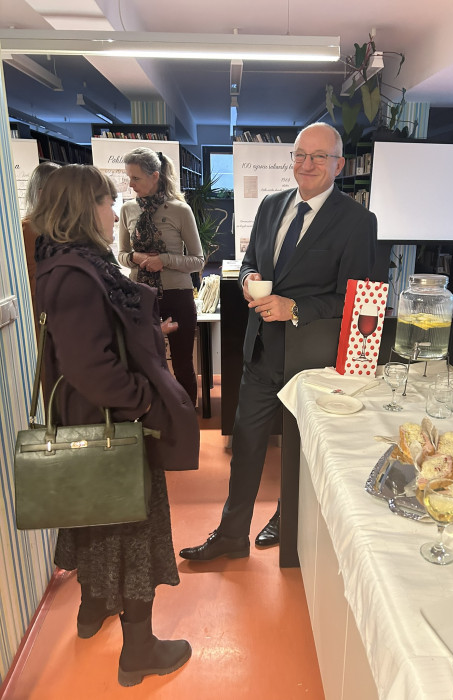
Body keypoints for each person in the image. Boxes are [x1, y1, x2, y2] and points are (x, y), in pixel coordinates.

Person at [32, 164, 200, 687]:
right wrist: (144, 402)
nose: (114, 212)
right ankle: (139, 652)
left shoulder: (68, 263)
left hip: (87, 422)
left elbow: (93, 343)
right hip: (110, 425)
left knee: (97, 522)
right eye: (107, 203)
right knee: (131, 530)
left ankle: (91, 612)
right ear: (86, 208)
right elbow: (92, 368)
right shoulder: (78, 274)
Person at [180, 122, 377, 561]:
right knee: (246, 445)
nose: (307, 164)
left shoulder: (357, 222)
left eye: (319, 156)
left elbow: (358, 297)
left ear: (339, 165)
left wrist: (297, 308)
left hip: (313, 360)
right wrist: (248, 276)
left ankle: (288, 519)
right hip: (262, 352)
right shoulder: (272, 206)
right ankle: (232, 535)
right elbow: (251, 259)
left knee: (301, 451)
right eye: (300, 155)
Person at [118, 147, 204, 406]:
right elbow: (121, 255)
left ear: (155, 176)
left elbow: (198, 261)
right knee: (145, 363)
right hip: (141, 297)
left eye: (136, 178)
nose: (130, 185)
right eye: (129, 178)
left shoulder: (180, 210)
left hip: (177, 297)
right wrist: (135, 258)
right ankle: (151, 418)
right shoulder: (128, 210)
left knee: (182, 365)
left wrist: (163, 260)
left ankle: (185, 418)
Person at [22, 161, 61, 329]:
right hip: (44, 320)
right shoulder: (29, 229)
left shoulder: (56, 227)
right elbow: (33, 283)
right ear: (42, 193)